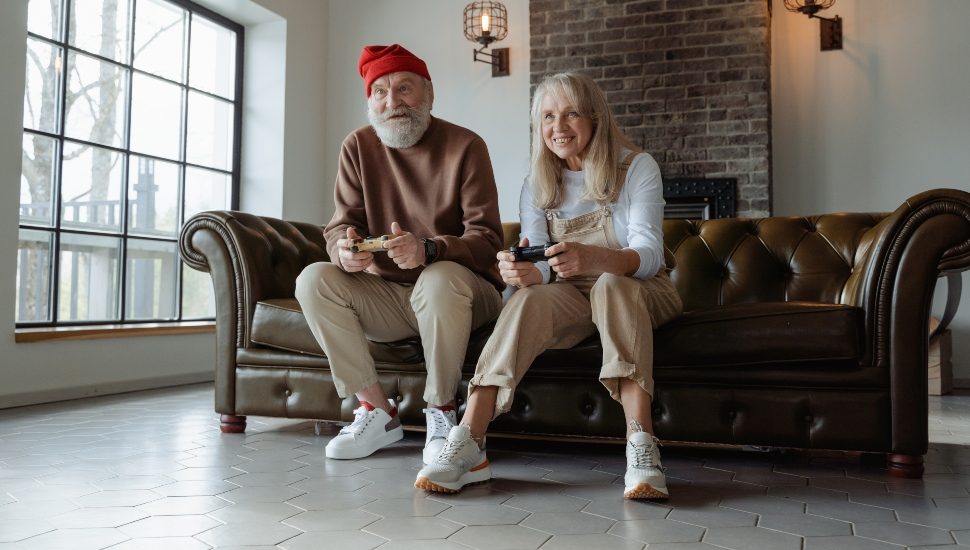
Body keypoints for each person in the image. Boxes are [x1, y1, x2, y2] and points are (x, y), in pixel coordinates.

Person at [414, 72, 683, 500]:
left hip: (638, 287)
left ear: (594, 117)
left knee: (611, 285)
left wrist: (595, 258)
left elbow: (649, 255)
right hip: (575, 292)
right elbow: (542, 267)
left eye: (571, 113)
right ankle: (468, 441)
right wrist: (523, 272)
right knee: (526, 302)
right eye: (548, 117)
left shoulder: (636, 167)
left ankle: (641, 445)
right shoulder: (537, 184)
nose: (559, 127)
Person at [295, 44, 504, 464]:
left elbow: (487, 241)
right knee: (313, 279)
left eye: (404, 89)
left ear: (428, 93)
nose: (393, 103)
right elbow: (339, 225)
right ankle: (377, 410)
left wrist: (429, 249)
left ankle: (442, 411)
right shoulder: (357, 146)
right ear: (370, 101)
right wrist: (344, 250)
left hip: (464, 294)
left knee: (438, 277)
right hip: (392, 298)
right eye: (381, 92)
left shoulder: (466, 145)